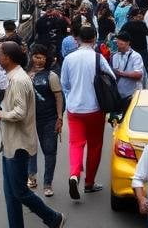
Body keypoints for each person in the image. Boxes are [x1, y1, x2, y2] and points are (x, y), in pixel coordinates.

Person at [0, 42, 65, 228]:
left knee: (20, 191)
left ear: (9, 57)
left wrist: (0, 114)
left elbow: (20, 112)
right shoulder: (14, 77)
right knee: (10, 194)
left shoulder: (20, 80)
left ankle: (53, 218)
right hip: (10, 143)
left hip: (19, 145)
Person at [60, 24, 112, 199]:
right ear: (94, 39)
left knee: (76, 144)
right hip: (96, 109)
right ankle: (89, 182)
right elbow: (111, 78)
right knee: (95, 146)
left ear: (78, 39)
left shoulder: (69, 59)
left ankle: (74, 174)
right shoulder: (98, 58)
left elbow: (65, 84)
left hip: (74, 109)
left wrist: (72, 97)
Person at [27, 45, 63, 197]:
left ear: (47, 59)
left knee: (49, 151)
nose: (38, 60)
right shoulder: (25, 74)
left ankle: (48, 183)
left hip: (48, 119)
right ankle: (31, 177)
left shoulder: (51, 76)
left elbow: (58, 97)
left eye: (42, 57)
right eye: (36, 56)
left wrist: (59, 117)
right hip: (28, 119)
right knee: (30, 148)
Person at [112, 32, 146, 101]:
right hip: (118, 95)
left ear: (128, 43)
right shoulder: (115, 56)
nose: (118, 45)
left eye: (121, 43)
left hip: (132, 95)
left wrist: (120, 73)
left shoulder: (136, 56)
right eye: (117, 43)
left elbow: (138, 74)